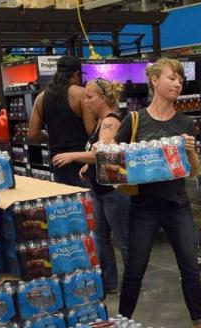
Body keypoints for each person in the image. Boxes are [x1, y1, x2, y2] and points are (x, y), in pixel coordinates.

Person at [114, 58, 201, 328]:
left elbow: (193, 170)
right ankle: (122, 323)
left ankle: (199, 321)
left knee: (190, 265)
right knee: (135, 268)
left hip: (177, 204)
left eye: (179, 79)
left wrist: (190, 151)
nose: (178, 83)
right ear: (154, 81)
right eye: (171, 78)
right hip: (144, 207)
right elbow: (115, 159)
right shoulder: (135, 120)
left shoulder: (186, 122)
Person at [50, 78, 130, 294]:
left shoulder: (110, 122)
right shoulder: (99, 121)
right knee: (101, 238)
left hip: (114, 192)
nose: (85, 101)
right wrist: (87, 165)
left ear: (102, 98)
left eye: (89, 96)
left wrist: (73, 156)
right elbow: (97, 154)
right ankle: (109, 282)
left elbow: (103, 154)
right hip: (101, 190)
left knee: (124, 241)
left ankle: (133, 283)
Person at [27, 55, 94, 186]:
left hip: (57, 162)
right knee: (87, 203)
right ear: (76, 74)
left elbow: (32, 134)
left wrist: (51, 137)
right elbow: (92, 131)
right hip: (82, 162)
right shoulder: (80, 93)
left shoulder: (41, 98)